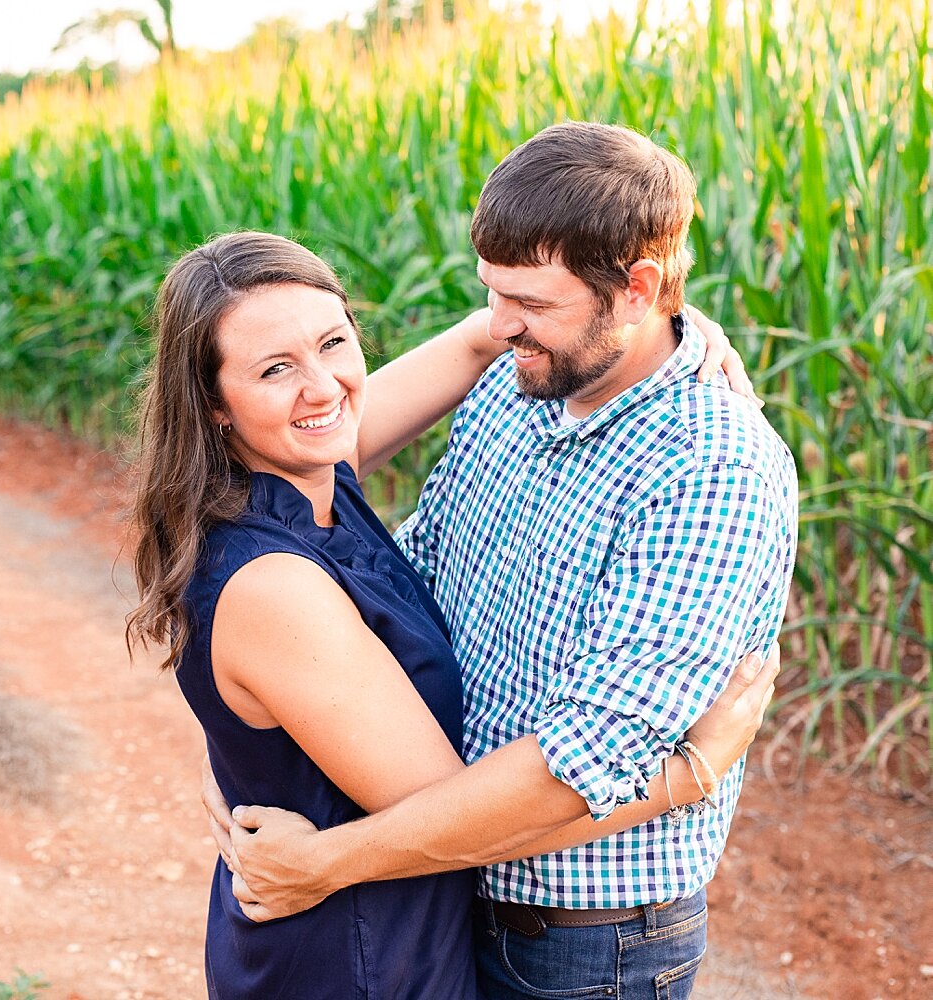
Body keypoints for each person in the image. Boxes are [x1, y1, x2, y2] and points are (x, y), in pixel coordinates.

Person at [212, 124, 799, 1000]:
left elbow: (578, 768)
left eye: (529, 302)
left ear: (637, 291)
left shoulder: (711, 469)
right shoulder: (521, 379)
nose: (496, 326)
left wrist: (328, 861)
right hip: (436, 891)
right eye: (491, 293)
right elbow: (410, 579)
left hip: (576, 943)